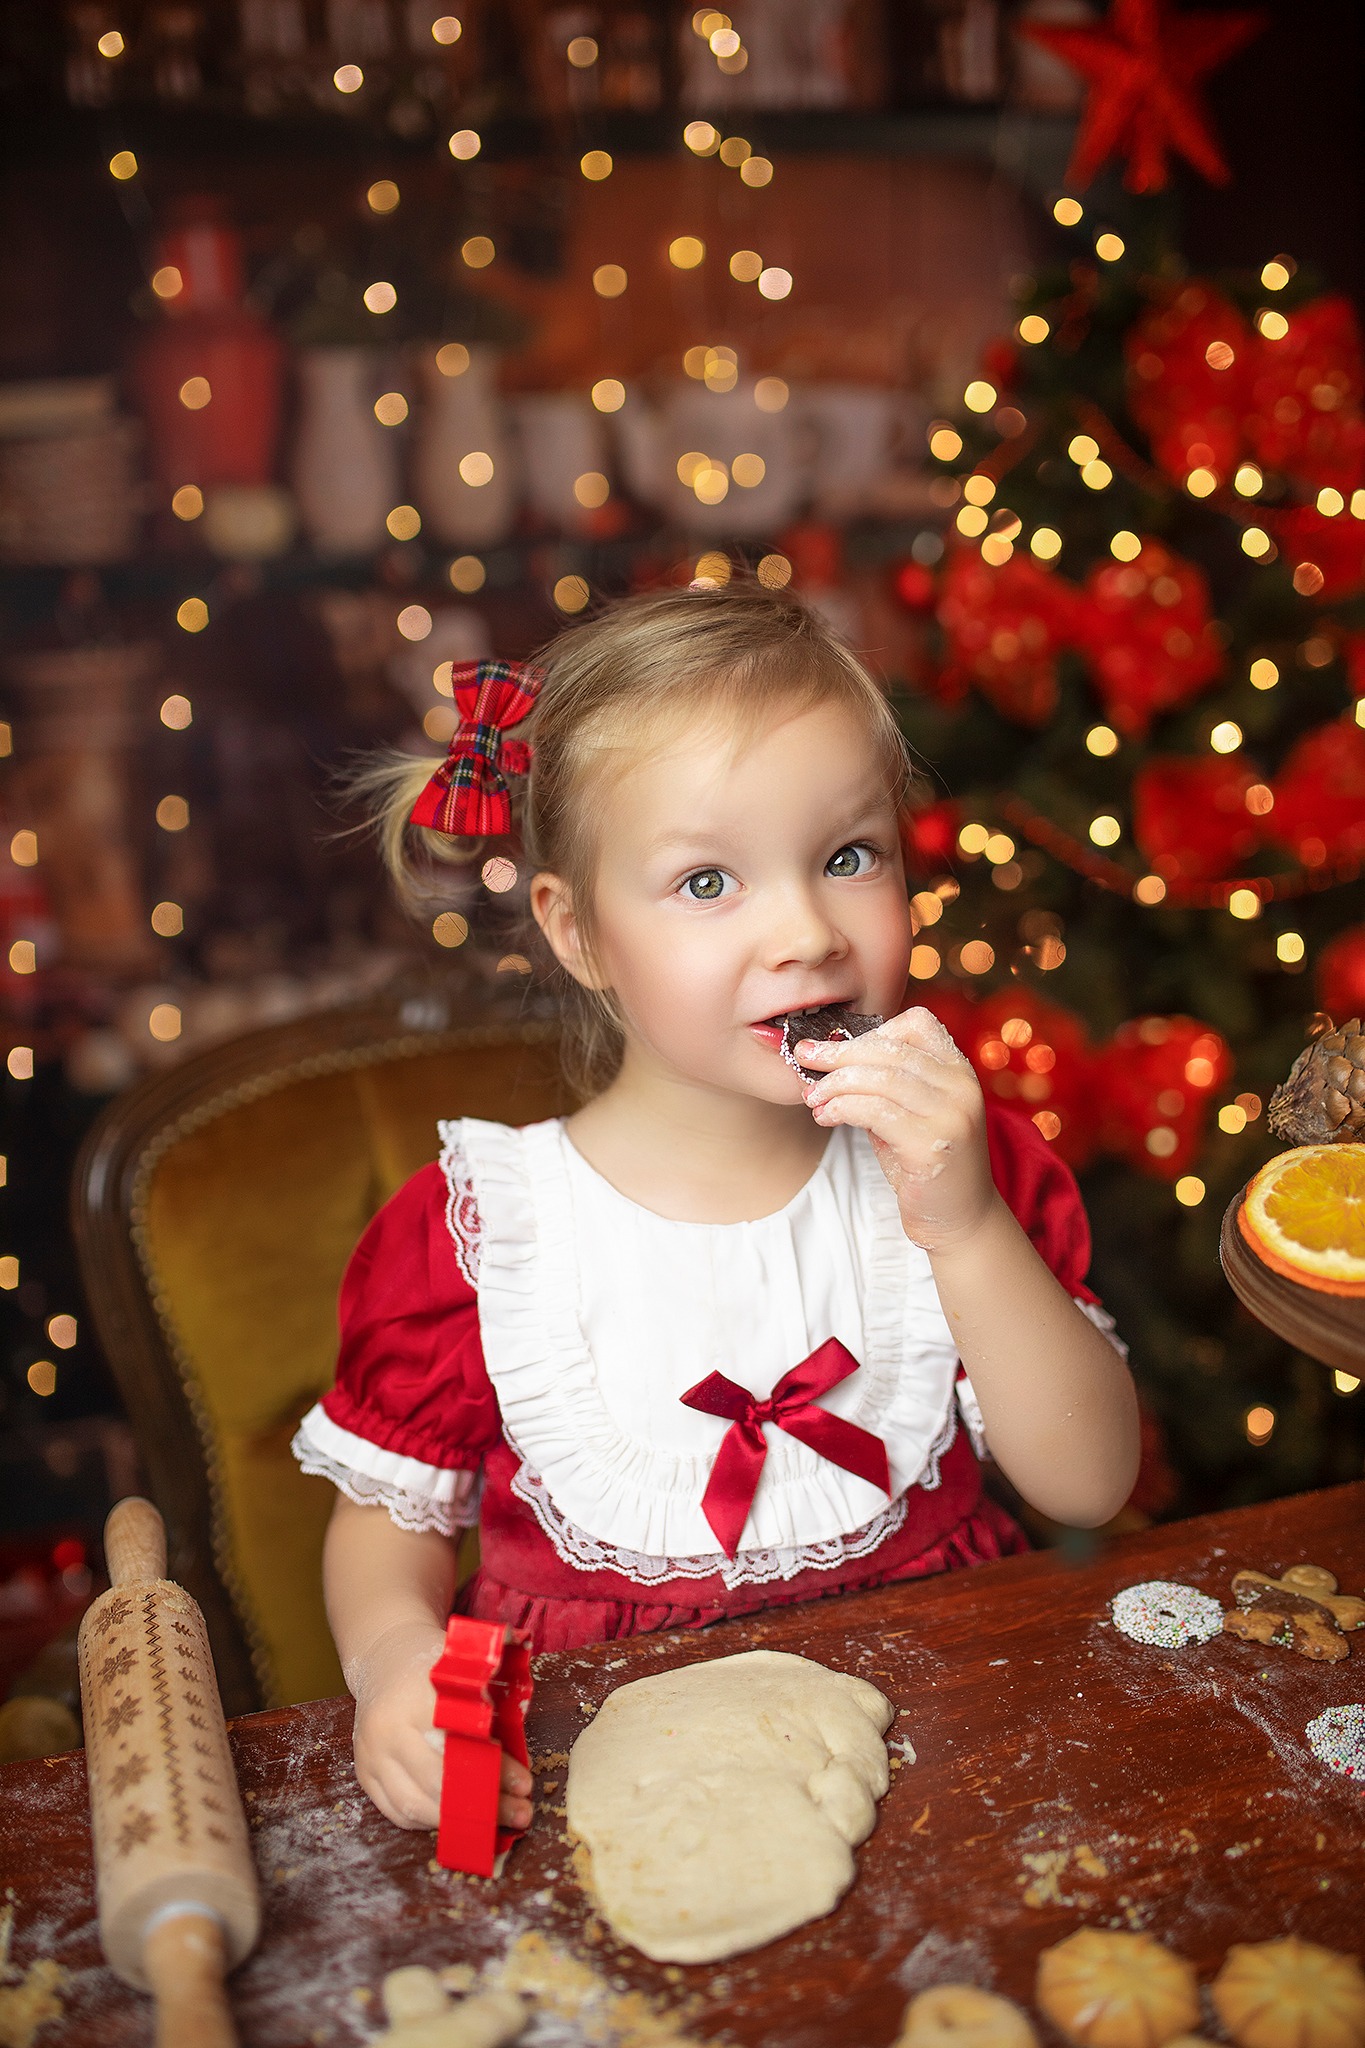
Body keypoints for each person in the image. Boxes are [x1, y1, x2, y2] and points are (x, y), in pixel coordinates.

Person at [293, 582, 1139, 1840]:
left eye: (849, 856)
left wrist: (962, 1225)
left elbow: (1090, 1483)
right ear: (579, 933)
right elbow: (385, 1529)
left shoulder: (965, 1168)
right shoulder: (485, 1231)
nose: (806, 931)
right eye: (706, 881)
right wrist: (394, 1658)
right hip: (596, 1787)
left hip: (944, 1756)